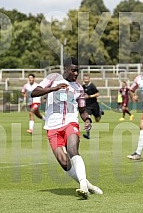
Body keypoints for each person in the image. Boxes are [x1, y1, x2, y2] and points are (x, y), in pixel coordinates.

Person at [31, 57, 103, 199]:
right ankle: (89, 185)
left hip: (70, 123)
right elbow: (34, 92)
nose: (76, 74)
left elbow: (82, 110)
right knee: (64, 163)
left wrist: (87, 119)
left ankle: (82, 186)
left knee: (72, 150)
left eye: (78, 71)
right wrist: (53, 88)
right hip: (52, 127)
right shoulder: (53, 78)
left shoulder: (79, 88)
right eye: (73, 70)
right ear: (66, 69)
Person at [82, 74, 104, 139]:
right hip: (87, 106)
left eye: (87, 79)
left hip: (94, 105)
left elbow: (97, 94)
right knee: (87, 119)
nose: (85, 80)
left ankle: (99, 112)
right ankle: (87, 134)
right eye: (84, 79)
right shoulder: (82, 86)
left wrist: (89, 96)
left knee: (97, 119)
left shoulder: (92, 86)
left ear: (89, 79)